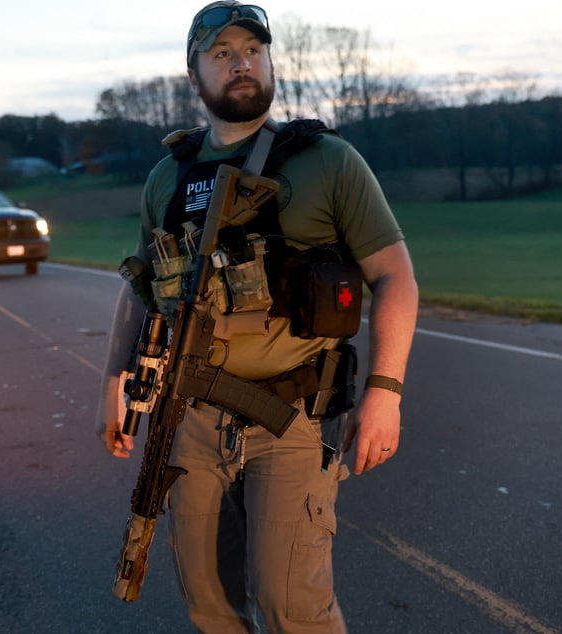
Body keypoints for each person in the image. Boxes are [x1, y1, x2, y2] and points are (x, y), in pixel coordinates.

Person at [97, 2, 419, 631]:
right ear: (195, 77)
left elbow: (394, 276)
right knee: (210, 603)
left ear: (269, 62)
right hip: (187, 415)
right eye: (221, 53)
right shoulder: (169, 176)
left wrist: (386, 392)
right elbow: (139, 286)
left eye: (252, 50)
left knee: (289, 604)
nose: (241, 63)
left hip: (292, 415)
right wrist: (112, 383)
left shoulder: (327, 161)